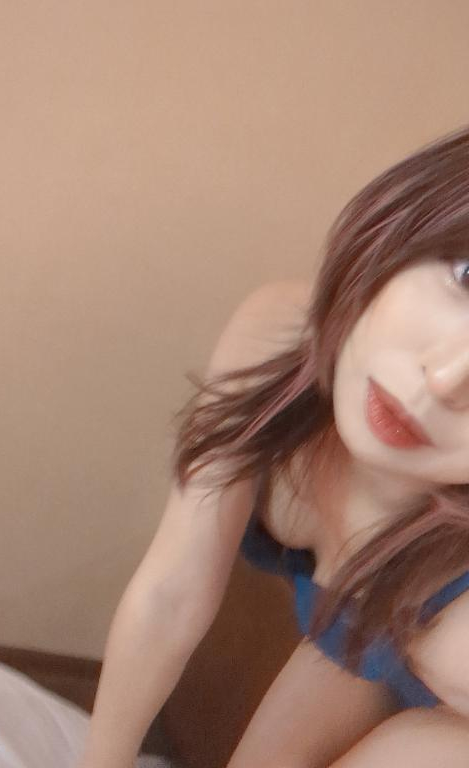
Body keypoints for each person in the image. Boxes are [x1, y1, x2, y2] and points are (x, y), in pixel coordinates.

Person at [83, 125, 469, 768]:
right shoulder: (279, 334)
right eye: (468, 275)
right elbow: (171, 592)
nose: (445, 379)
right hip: (364, 627)